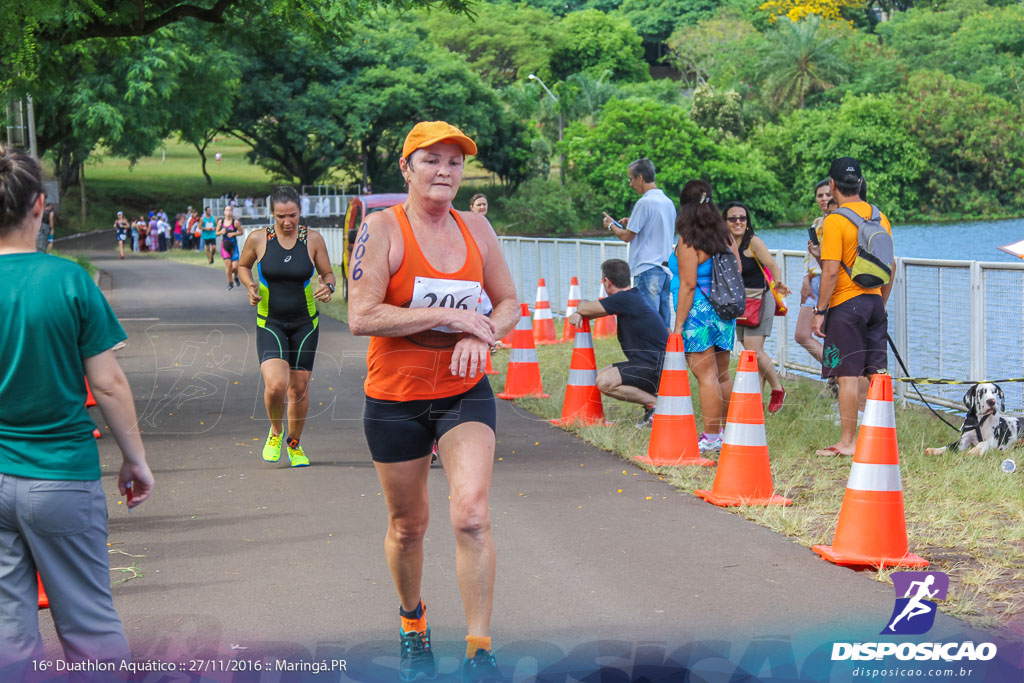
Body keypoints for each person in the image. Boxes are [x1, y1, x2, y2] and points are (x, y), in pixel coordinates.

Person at [347, 121, 518, 683]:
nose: (445, 171)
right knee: (408, 526)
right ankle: (413, 624)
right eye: (432, 161)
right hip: (395, 396)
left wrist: (482, 331)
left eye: (454, 162)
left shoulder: (477, 228)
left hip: (462, 391)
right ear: (407, 168)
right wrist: (449, 315)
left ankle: (479, 648)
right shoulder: (381, 229)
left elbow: (510, 302)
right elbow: (362, 315)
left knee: (471, 513)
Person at [0, 146, 154, 675]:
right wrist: (136, 460)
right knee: (89, 627)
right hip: (61, 476)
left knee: (7, 629)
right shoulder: (69, 282)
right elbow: (107, 384)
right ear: (40, 205)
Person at [237, 186, 336, 467]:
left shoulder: (312, 239)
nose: (287, 222)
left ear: (300, 212)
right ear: (273, 214)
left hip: (306, 324)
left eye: (292, 215)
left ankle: (294, 445)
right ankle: (276, 431)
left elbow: (328, 273)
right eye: (281, 216)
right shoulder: (258, 239)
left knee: (299, 389)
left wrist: (328, 287)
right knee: (276, 385)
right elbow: (243, 266)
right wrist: (249, 285)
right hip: (271, 322)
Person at [812, 157, 893, 456]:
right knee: (877, 374)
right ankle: (883, 438)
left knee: (847, 375)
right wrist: (880, 302)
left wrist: (820, 312)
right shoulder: (879, 216)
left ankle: (848, 442)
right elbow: (891, 266)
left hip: (847, 305)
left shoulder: (835, 221)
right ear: (860, 182)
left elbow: (830, 271)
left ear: (832, 186)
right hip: (874, 301)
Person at [673, 180, 740, 454]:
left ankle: (711, 437)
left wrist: (678, 325)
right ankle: (726, 431)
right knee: (723, 374)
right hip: (724, 312)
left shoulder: (688, 240)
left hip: (699, 313)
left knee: (706, 376)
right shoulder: (725, 236)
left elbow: (688, 285)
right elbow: (735, 270)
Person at [567, 259, 669, 428]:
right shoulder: (632, 297)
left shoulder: (624, 299)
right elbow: (593, 312)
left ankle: (657, 405)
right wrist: (583, 312)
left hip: (655, 368)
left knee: (604, 382)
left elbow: (586, 308)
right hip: (655, 365)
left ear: (606, 281)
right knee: (601, 374)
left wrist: (579, 310)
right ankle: (652, 410)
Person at [725, 201, 791, 413]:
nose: (738, 222)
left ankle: (778, 388)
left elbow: (772, 265)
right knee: (751, 352)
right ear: (725, 222)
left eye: (742, 218)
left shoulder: (753, 242)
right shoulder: (724, 244)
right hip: (740, 304)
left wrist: (779, 282)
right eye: (732, 218)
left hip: (760, 300)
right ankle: (757, 404)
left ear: (747, 221)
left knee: (754, 350)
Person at [602, 158, 675, 328]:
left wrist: (611, 225)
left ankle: (649, 355)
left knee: (647, 322)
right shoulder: (668, 202)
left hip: (647, 270)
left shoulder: (644, 202)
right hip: (665, 271)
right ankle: (666, 355)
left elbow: (627, 236)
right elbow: (655, 228)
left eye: (631, 179)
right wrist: (632, 222)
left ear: (640, 178)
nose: (630, 183)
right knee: (663, 325)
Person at [795, 180, 831, 366]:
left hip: (830, 282)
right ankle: (835, 371)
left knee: (830, 335)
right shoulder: (817, 222)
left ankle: (836, 377)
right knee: (802, 334)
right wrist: (805, 279)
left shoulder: (839, 221)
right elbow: (809, 255)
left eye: (828, 194)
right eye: (820, 195)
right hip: (813, 281)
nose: (824, 199)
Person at [216, 205, 243, 290]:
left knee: (235, 267)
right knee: (228, 265)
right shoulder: (221, 222)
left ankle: (235, 277)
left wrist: (233, 234)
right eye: (227, 210)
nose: (228, 212)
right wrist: (221, 232)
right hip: (225, 247)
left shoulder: (235, 222)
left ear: (232, 212)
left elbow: (241, 232)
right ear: (224, 212)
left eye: (230, 210)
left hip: (233, 247)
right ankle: (230, 283)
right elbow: (216, 233)